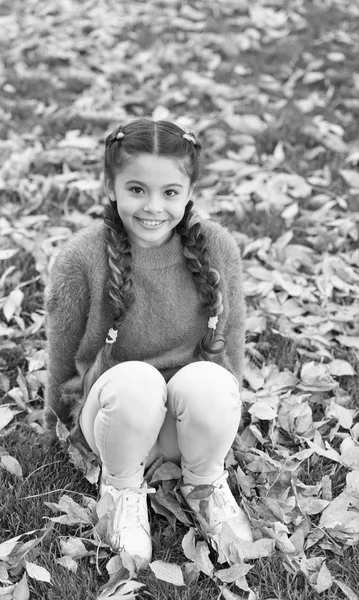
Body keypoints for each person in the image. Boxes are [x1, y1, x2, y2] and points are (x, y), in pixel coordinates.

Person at [44, 118, 253, 563]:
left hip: (186, 426)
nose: (153, 206)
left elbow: (230, 346)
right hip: (114, 418)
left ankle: (203, 483)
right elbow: (61, 355)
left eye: (170, 192)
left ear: (189, 191)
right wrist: (57, 423)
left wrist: (223, 420)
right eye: (136, 189)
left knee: (211, 382)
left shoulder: (216, 249)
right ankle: (121, 491)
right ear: (112, 185)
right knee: (136, 381)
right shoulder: (82, 257)